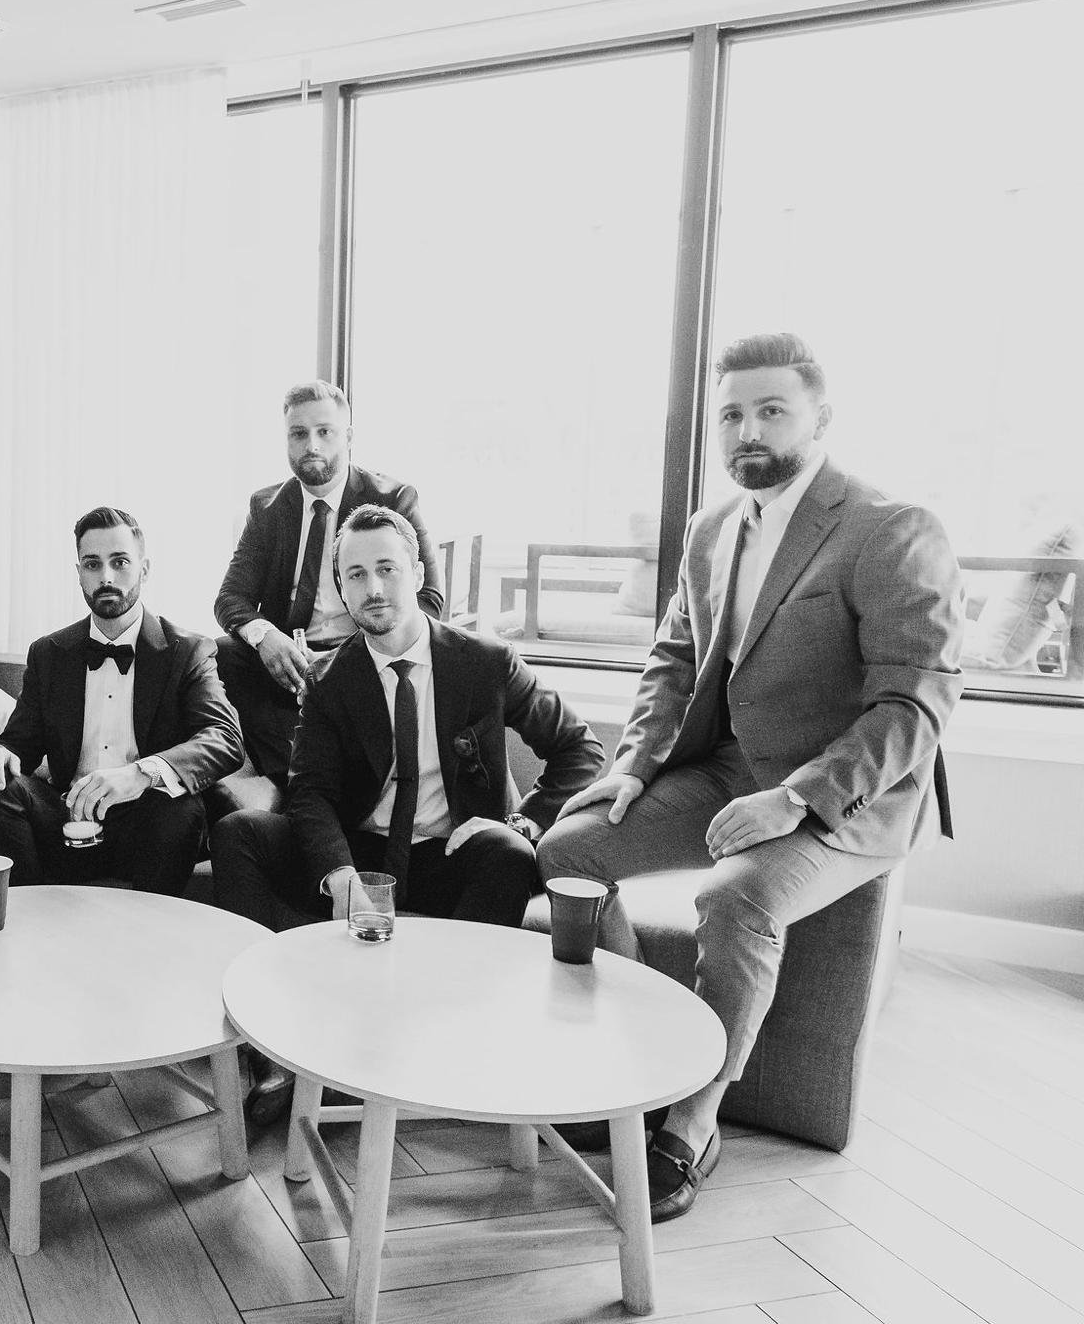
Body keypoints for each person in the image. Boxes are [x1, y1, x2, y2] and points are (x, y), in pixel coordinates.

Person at [540, 334, 961, 1220]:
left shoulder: (888, 527)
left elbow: (915, 703)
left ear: (821, 417)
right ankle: (636, 1061)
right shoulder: (711, 526)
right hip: (727, 766)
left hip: (841, 798)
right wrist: (633, 765)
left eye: (771, 410)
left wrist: (797, 795)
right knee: (569, 848)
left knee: (734, 898)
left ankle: (692, 1120)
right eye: (731, 413)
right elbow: (674, 655)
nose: (747, 430)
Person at [288, 484, 598, 913]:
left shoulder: (487, 662)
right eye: (356, 574)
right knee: (243, 833)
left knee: (510, 854)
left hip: (452, 849)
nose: (373, 587)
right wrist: (340, 874)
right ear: (342, 588)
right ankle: (283, 970)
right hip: (362, 853)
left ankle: (461, 980)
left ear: (417, 575)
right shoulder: (326, 680)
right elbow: (309, 791)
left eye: (387, 568)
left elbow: (579, 749)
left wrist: (521, 822)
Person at [0, 505, 240, 885]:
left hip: (148, 825)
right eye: (92, 564)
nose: (106, 576)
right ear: (78, 574)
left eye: (120, 562)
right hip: (66, 821)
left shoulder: (188, 650)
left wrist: (141, 774)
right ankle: (24, 926)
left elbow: (224, 739)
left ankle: (148, 936)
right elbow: (19, 744)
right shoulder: (48, 653)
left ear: (144, 569)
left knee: (180, 809)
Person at [215, 384, 362, 782]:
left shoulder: (391, 498)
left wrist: (343, 660)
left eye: (324, 432)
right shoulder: (267, 507)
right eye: (298, 434)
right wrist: (265, 637)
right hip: (290, 661)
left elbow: (430, 602)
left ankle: (297, 779)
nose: (311, 445)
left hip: (360, 661)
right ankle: (294, 775)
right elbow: (230, 597)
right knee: (218, 655)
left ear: (347, 437)